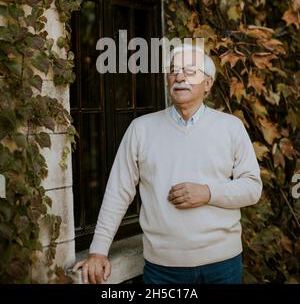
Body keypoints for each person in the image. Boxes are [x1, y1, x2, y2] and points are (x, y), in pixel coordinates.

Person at [72, 44, 262, 284]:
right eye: (173, 70)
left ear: (208, 83)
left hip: (222, 267)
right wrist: (98, 250)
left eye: (190, 71)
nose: (179, 77)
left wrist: (208, 193)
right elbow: (118, 192)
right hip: (163, 271)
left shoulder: (231, 127)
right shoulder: (141, 129)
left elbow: (252, 188)